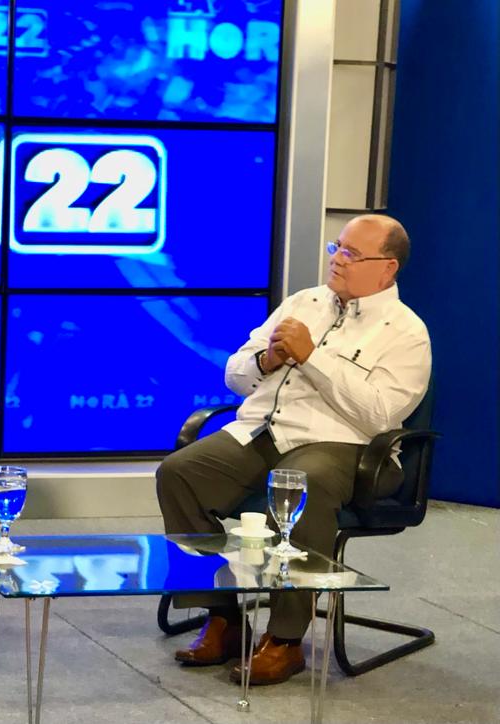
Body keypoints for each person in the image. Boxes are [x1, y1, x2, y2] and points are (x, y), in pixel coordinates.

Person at [156, 214, 431, 685]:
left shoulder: (406, 332)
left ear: (387, 268)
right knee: (180, 472)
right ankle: (223, 618)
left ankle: (285, 640)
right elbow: (235, 373)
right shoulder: (304, 302)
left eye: (352, 254)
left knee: (299, 482)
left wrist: (312, 357)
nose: (337, 260)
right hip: (265, 431)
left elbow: (380, 415)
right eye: (336, 248)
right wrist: (267, 360)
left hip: (345, 445)